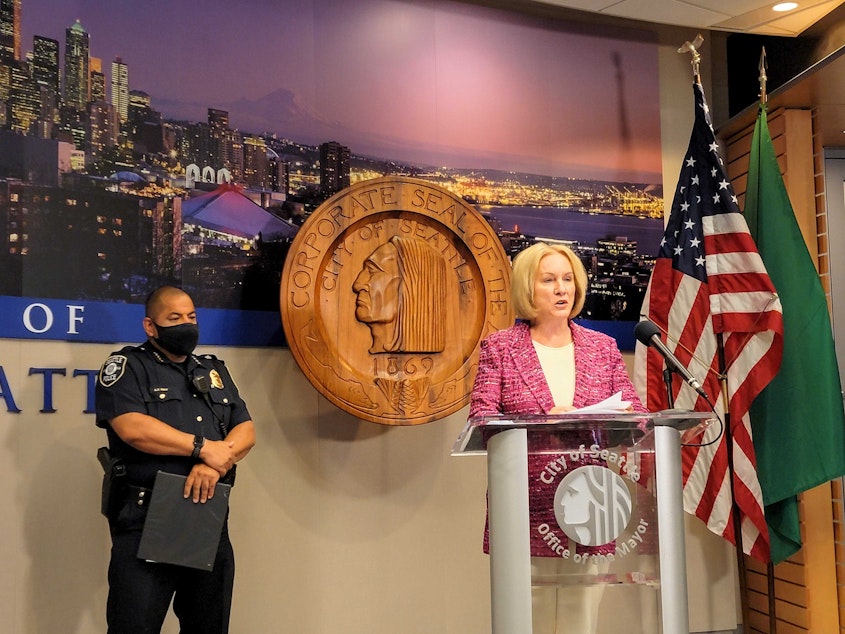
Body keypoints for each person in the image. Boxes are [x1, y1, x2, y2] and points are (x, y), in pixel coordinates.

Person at [468, 241, 647, 633]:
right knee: (525, 619)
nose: (562, 289)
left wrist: (623, 417)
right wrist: (542, 420)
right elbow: (482, 417)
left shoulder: (602, 348)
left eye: (568, 279)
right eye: (549, 280)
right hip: (525, 507)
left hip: (591, 504)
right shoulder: (500, 347)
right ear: (527, 289)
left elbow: (635, 418)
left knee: (580, 618)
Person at [95, 285, 256, 633]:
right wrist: (201, 447)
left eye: (191, 317)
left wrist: (213, 462)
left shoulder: (213, 370)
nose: (186, 324)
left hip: (207, 518)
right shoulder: (127, 366)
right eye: (174, 318)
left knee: (208, 626)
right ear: (151, 327)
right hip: (146, 518)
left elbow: (245, 430)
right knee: (134, 626)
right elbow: (133, 428)